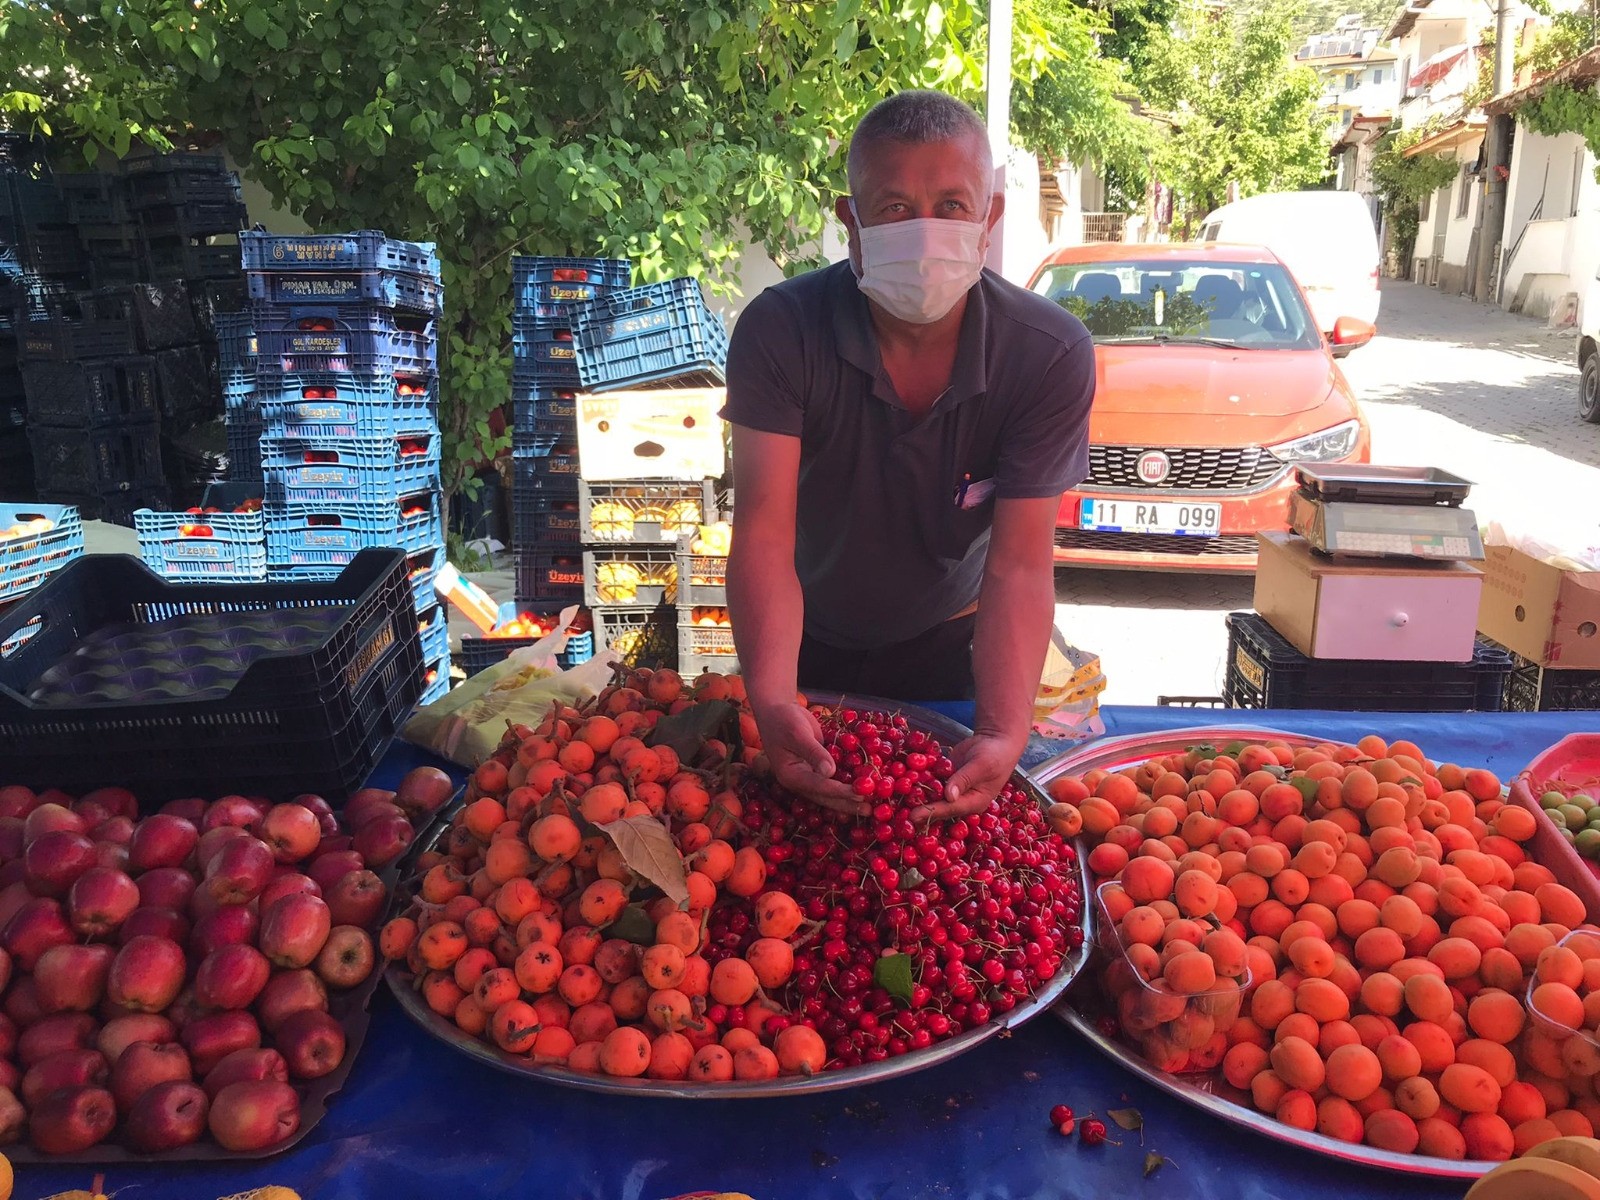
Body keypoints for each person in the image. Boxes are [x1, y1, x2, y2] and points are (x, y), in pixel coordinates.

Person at [721, 89, 1095, 821]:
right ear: (849, 222)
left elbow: (1019, 562)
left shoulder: (1047, 355)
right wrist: (770, 697)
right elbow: (762, 533)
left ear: (988, 218)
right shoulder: (781, 331)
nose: (925, 232)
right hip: (806, 644)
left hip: (951, 644)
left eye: (952, 205)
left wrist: (1002, 730)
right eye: (893, 208)